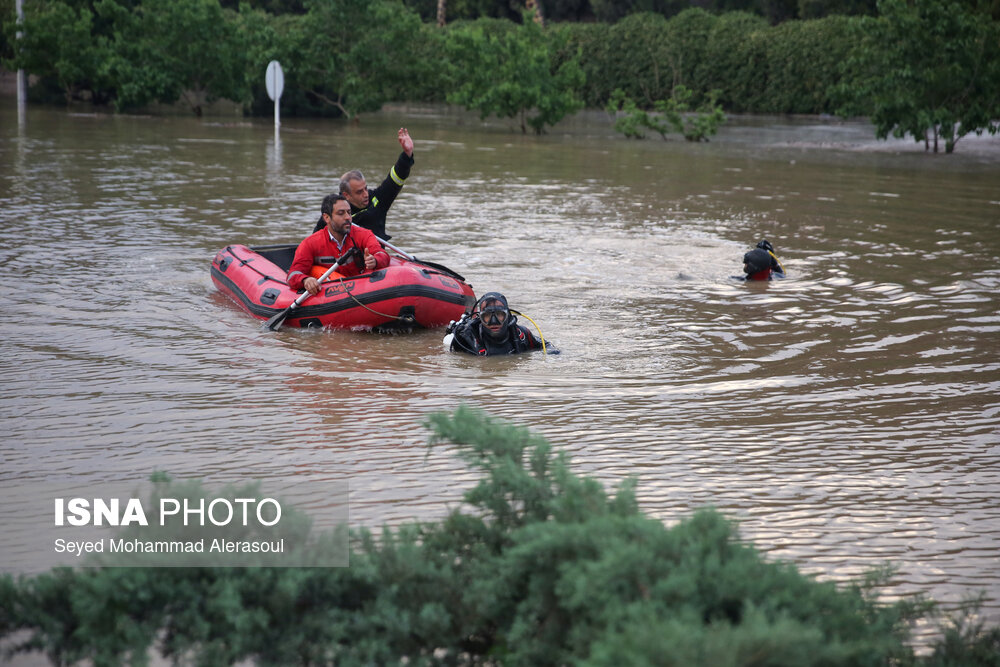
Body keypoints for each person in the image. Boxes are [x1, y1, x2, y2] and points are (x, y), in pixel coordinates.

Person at [312, 127, 415, 241]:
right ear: (346, 195)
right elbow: (313, 242)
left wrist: (407, 154)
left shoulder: (377, 200)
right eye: (359, 192)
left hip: (375, 255)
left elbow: (395, 179)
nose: (366, 194)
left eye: (365, 188)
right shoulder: (333, 212)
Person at [288, 193, 390, 295]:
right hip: (329, 296)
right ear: (327, 217)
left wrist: (375, 260)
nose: (348, 217)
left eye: (349, 213)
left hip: (362, 291)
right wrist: (306, 280)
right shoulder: (310, 243)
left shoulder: (364, 235)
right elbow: (293, 274)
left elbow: (382, 254)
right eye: (341, 213)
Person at [445, 292, 552, 356]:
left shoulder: (522, 335)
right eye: (487, 316)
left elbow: (547, 346)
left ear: (508, 316)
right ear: (480, 318)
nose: (493, 321)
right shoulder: (466, 336)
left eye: (500, 315)